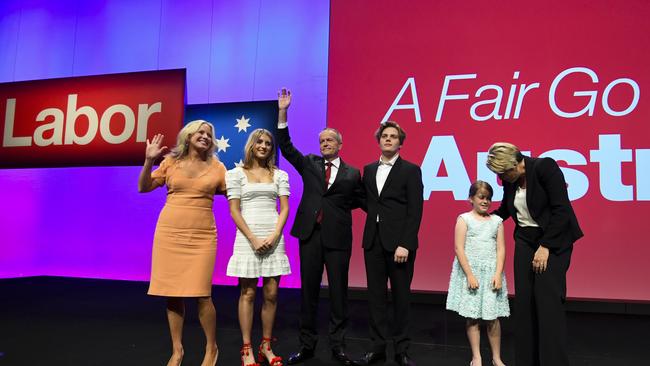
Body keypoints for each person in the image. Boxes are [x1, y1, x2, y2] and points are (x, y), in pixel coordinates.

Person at [275, 88, 362, 366]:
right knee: (308, 293)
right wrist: (283, 111)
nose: (324, 143)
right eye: (321, 140)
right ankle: (307, 345)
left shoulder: (352, 173)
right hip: (310, 236)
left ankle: (338, 347)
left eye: (329, 140)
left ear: (339, 144)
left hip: (338, 239)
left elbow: (362, 200)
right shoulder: (310, 163)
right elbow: (286, 146)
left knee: (338, 295)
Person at [485, 142, 583, 366]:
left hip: (553, 240)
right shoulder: (511, 180)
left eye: (503, 173)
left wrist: (546, 246)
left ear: (514, 164)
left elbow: (561, 210)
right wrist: (485, 219)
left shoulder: (544, 168)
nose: (501, 179)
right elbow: (506, 208)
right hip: (525, 240)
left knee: (548, 304)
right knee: (525, 304)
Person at [138, 120, 225, 366]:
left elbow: (234, 195)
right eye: (201, 132)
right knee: (172, 294)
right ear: (188, 136)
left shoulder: (218, 168)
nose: (205, 137)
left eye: (209, 134)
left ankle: (211, 348)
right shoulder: (170, 163)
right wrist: (148, 161)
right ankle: (177, 350)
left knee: (202, 295)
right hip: (170, 233)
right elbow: (143, 187)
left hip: (202, 236)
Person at [356, 121, 423, 366]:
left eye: (393, 136)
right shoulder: (369, 169)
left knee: (401, 298)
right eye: (384, 135)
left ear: (400, 142)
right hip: (372, 241)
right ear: (379, 140)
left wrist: (405, 243)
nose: (388, 139)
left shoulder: (411, 170)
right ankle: (377, 348)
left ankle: (402, 350)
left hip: (400, 246)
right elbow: (368, 201)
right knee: (375, 298)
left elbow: (416, 210)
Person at [226, 128, 291, 366]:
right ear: (252, 145)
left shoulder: (280, 175)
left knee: (272, 293)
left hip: (273, 236)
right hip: (246, 237)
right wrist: (252, 238)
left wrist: (274, 235)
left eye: (268, 143)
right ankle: (246, 349)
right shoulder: (235, 174)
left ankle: (266, 346)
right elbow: (234, 210)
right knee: (248, 292)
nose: (264, 146)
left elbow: (284, 208)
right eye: (260, 142)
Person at [446, 181, 510, 366]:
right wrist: (470, 275)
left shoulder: (497, 221)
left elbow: (501, 249)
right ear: (471, 199)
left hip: (491, 273)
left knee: (493, 317)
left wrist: (497, 274)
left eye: (488, 198)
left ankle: (496, 358)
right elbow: (459, 248)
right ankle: (477, 357)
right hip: (471, 272)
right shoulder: (464, 219)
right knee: (472, 315)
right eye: (481, 197)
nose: (485, 201)